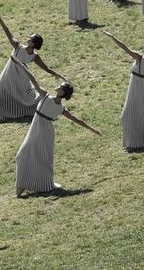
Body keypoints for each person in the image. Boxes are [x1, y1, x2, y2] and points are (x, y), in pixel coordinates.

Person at [11, 56, 101, 198]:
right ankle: (23, 186)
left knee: (37, 157)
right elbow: (33, 79)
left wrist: (92, 129)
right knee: (24, 155)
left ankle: (35, 185)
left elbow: (76, 120)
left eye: (60, 87)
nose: (58, 86)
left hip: (45, 131)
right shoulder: (46, 96)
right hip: (38, 128)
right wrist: (20, 64)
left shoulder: (55, 103)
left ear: (63, 92)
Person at [0, 8, 66, 122]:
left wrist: (61, 76)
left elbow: (47, 69)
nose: (27, 38)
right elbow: (7, 31)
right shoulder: (18, 47)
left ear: (33, 43)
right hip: (8, 76)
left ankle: (28, 111)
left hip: (21, 79)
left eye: (30, 38)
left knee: (25, 99)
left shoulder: (34, 56)